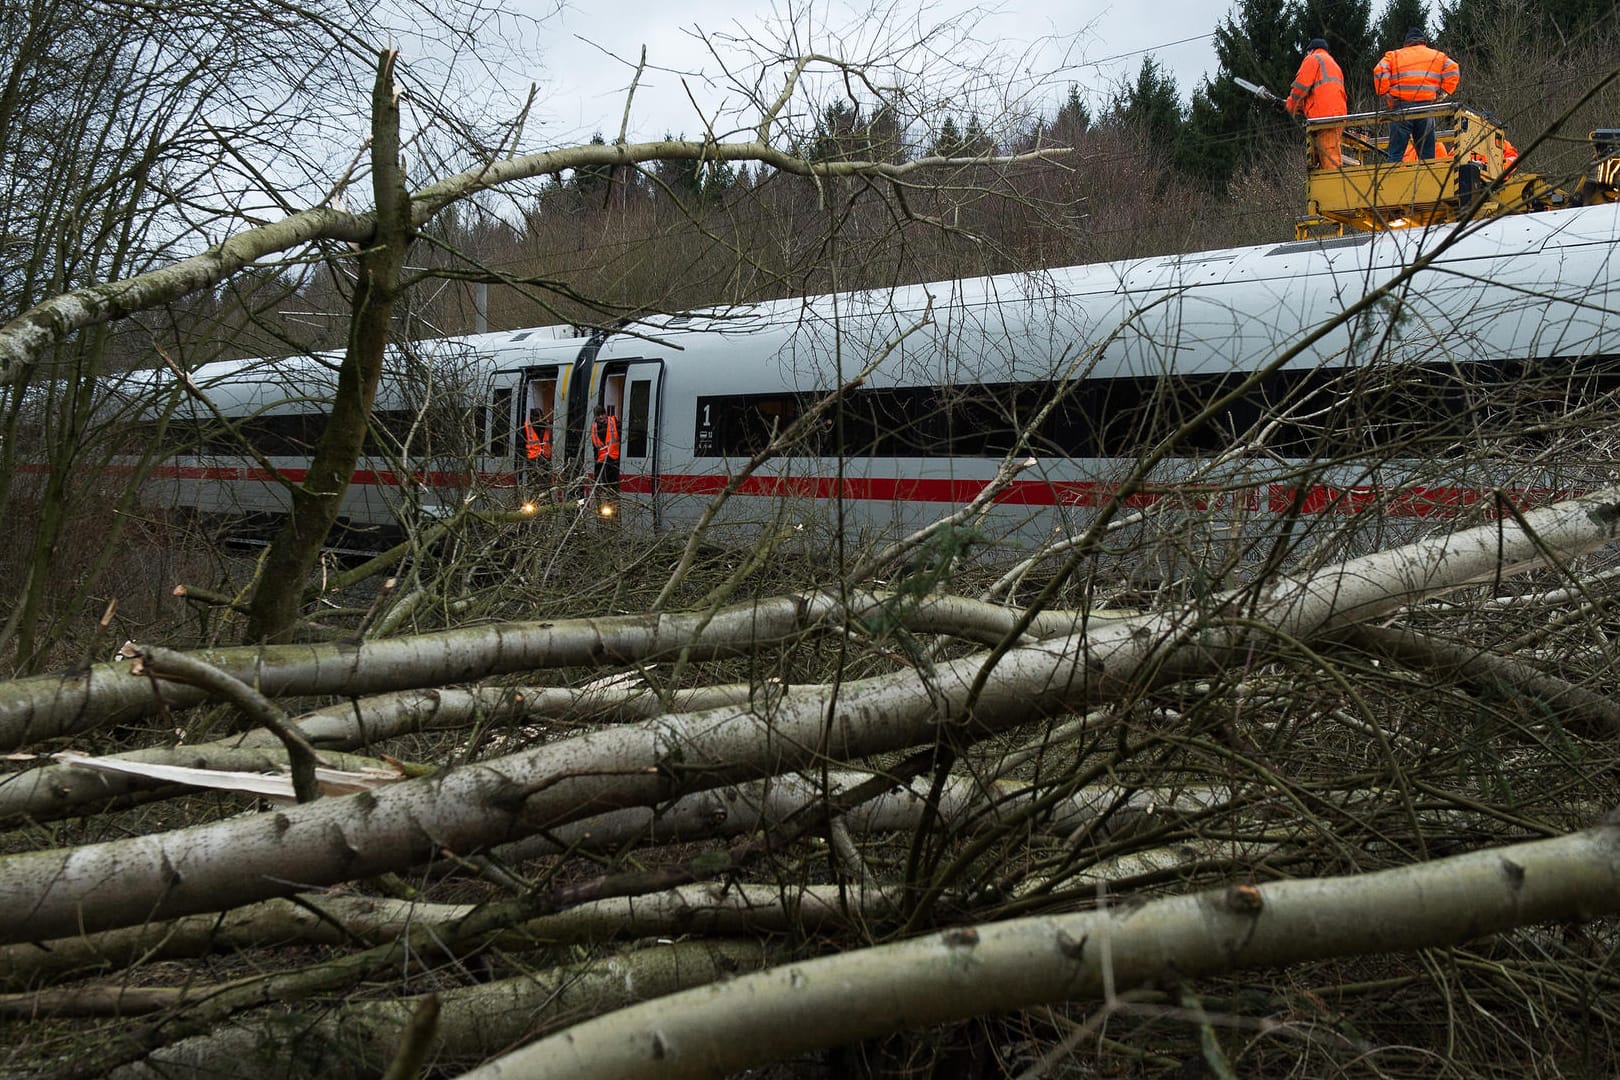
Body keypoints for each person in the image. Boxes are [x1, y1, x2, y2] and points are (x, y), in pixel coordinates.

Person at [1374, 27, 1461, 162]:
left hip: (1400, 108)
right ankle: (1426, 182)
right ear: (1424, 42)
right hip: (1425, 109)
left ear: (1406, 43)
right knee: (1427, 157)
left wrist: (1385, 92)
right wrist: (1443, 92)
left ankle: (1390, 182)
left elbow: (1379, 70)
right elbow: (1453, 68)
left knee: (1395, 155)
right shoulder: (1436, 56)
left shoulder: (1394, 55)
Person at [1286, 38, 1348, 169]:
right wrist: (1302, 107)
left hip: (1325, 116)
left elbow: (1300, 87)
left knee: (1330, 159)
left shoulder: (1313, 59)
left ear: (1310, 50)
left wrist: (1291, 106)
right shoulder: (1333, 63)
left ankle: (1334, 186)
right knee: (1330, 153)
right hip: (1338, 113)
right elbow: (1320, 92)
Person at [590, 404, 620, 498]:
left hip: (614, 459)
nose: (601, 417)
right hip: (601, 461)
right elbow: (595, 448)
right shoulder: (594, 428)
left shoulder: (614, 422)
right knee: (601, 483)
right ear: (595, 417)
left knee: (613, 484)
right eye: (598, 415)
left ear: (605, 414)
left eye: (602, 414)